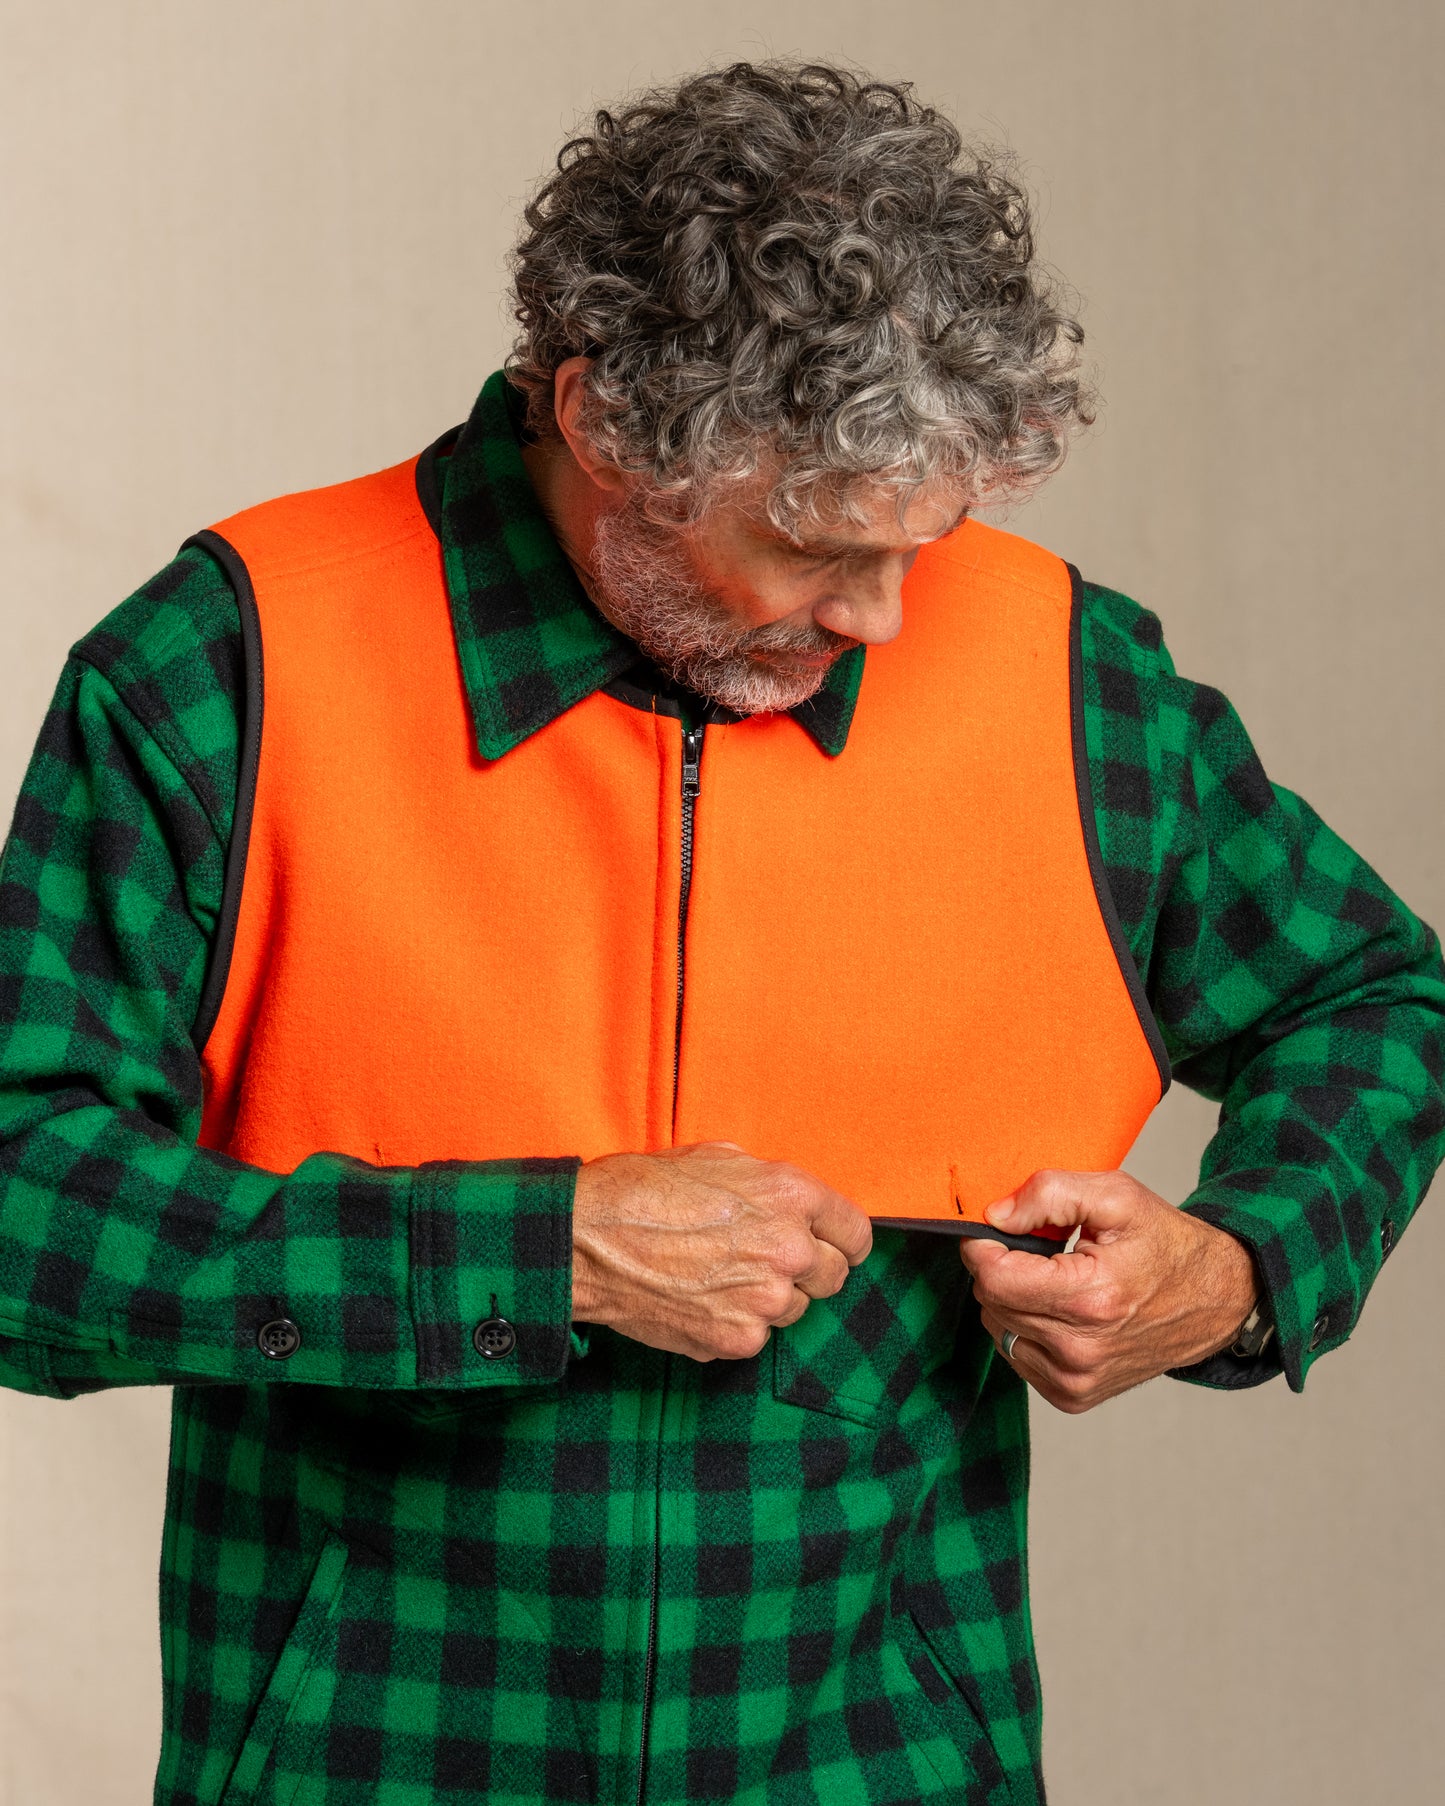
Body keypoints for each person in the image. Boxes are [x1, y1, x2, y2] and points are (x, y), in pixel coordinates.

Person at [0, 58, 1440, 1806]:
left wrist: (1237, 1270)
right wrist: (533, 1251)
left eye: (930, 538)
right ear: (603, 423)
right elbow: (20, 1207)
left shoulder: (1071, 685)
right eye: (815, 541)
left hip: (883, 1767)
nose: (886, 616)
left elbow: (1376, 997)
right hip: (369, 1762)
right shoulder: (222, 670)